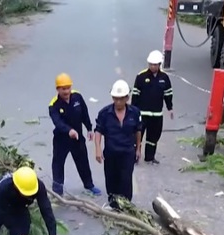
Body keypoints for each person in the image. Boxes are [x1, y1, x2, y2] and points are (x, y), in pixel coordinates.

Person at [48, 73, 101, 197]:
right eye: (63, 89)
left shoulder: (77, 97)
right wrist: (69, 131)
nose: (66, 91)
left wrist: (89, 128)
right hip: (61, 140)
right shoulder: (54, 105)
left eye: (68, 88)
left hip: (77, 139)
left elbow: (84, 113)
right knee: (58, 163)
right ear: (58, 89)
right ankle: (57, 190)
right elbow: (58, 122)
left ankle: (89, 185)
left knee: (83, 162)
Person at [93, 80, 142, 211]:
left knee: (126, 179)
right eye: (116, 99)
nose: (118, 102)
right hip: (111, 152)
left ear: (127, 97)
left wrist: (138, 149)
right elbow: (98, 131)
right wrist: (97, 149)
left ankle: (126, 204)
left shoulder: (135, 113)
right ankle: (113, 204)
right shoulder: (104, 113)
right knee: (111, 178)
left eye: (121, 99)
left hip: (127, 152)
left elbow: (138, 131)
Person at [131, 50, 174, 165]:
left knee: (153, 137)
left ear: (160, 64)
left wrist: (170, 108)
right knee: (137, 136)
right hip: (142, 114)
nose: (152, 67)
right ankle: (134, 156)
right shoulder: (141, 77)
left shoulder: (164, 78)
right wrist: (132, 111)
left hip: (156, 115)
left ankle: (150, 157)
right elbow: (135, 95)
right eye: (151, 64)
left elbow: (168, 94)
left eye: (155, 65)